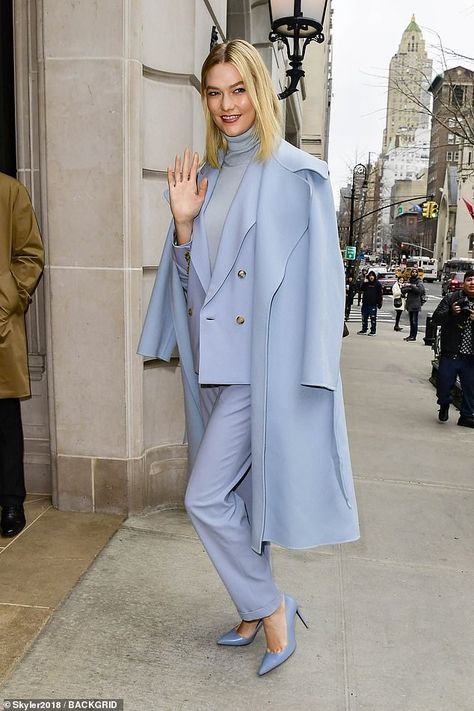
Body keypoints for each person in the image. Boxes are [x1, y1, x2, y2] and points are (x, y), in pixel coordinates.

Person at [138, 39, 359, 676]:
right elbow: (192, 288)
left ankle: (271, 605)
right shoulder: (201, 181)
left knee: (204, 498)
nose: (226, 104)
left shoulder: (296, 175)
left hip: (261, 373)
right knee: (239, 501)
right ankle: (249, 604)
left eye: (238, 90)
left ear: (259, 92)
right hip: (213, 368)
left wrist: (315, 374)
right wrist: (182, 228)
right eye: (214, 92)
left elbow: (323, 285)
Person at [0, 172, 44, 537]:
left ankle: (11, 502)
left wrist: (7, 300)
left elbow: (29, 254)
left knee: (3, 416)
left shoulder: (8, 190)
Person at [431, 270, 474, 427]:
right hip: (451, 353)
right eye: (469, 280)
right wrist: (451, 312)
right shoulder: (451, 298)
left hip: (471, 357)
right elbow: (436, 319)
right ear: (463, 283)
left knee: (470, 388)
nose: (472, 283)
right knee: (443, 386)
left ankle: (467, 416)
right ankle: (444, 404)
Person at [401, 267, 425, 341]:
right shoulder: (410, 280)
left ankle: (413, 336)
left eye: (415, 272)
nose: (414, 273)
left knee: (414, 321)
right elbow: (403, 290)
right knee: (411, 321)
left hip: (416, 304)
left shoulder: (419, 281)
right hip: (409, 303)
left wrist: (411, 286)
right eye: (413, 272)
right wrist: (409, 287)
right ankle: (411, 335)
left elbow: (420, 290)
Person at [357, 270, 383, 336]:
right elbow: (360, 289)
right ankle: (364, 329)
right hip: (365, 303)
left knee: (373, 318)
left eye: (373, 276)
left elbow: (380, 294)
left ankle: (373, 331)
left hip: (373, 304)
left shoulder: (377, 284)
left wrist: (379, 303)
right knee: (364, 317)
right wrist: (364, 283)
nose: (371, 277)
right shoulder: (366, 283)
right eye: (370, 276)